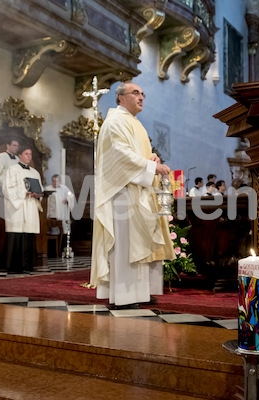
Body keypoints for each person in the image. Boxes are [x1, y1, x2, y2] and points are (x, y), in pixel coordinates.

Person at [90, 81, 175, 307]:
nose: (141, 97)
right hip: (123, 193)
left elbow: (137, 154)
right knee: (126, 245)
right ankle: (125, 296)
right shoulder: (115, 121)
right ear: (121, 98)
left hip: (138, 190)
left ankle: (139, 293)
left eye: (142, 93)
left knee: (139, 243)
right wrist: (151, 168)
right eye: (136, 93)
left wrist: (152, 158)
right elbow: (121, 155)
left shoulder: (134, 123)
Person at [2, 146, 43, 273]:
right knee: (16, 234)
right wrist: (23, 194)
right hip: (18, 207)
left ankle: (28, 265)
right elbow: (7, 188)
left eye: (30, 154)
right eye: (26, 154)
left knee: (29, 234)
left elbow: (40, 190)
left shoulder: (35, 172)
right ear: (20, 155)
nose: (29, 156)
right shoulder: (12, 169)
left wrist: (37, 195)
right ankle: (14, 267)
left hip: (30, 205)